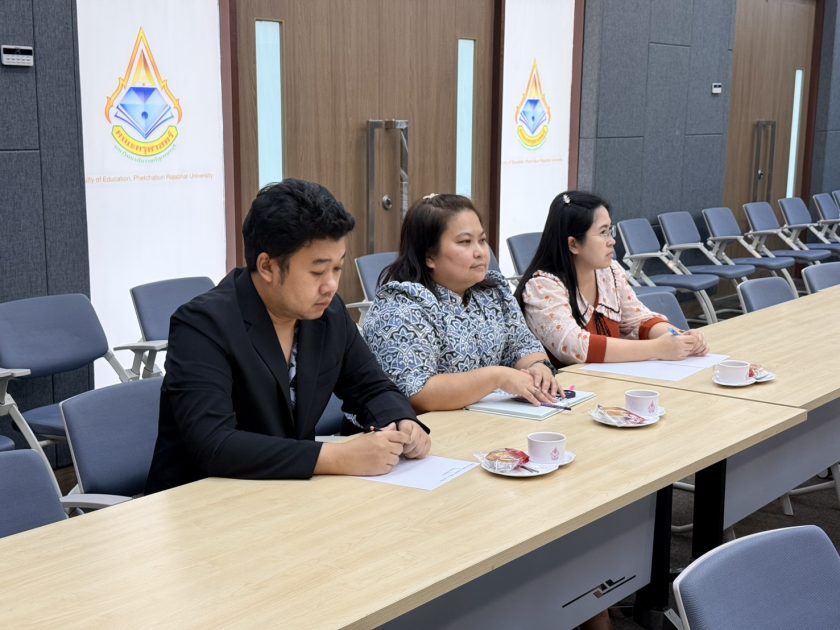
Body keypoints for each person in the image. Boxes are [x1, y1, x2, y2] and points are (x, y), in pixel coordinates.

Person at [145, 179, 430, 493]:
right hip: (203, 499)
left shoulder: (328, 314)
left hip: (284, 491)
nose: (331, 285)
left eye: (337, 268)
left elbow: (371, 387)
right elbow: (214, 444)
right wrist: (336, 456)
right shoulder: (203, 325)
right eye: (317, 271)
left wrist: (402, 421)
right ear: (267, 266)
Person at [362, 193, 560, 413]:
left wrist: (537, 367)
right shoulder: (401, 307)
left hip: (478, 419)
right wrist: (497, 377)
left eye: (482, 240)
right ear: (429, 256)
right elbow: (418, 393)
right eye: (465, 242)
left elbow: (522, 344)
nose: (480, 252)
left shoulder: (493, 291)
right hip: (409, 428)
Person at [515, 191, 708, 365]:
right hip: (567, 387)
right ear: (573, 244)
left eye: (610, 230)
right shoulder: (542, 286)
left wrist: (678, 337)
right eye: (603, 232)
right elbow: (574, 346)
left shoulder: (609, 271)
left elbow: (638, 319)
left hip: (607, 380)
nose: (612, 241)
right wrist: (658, 348)